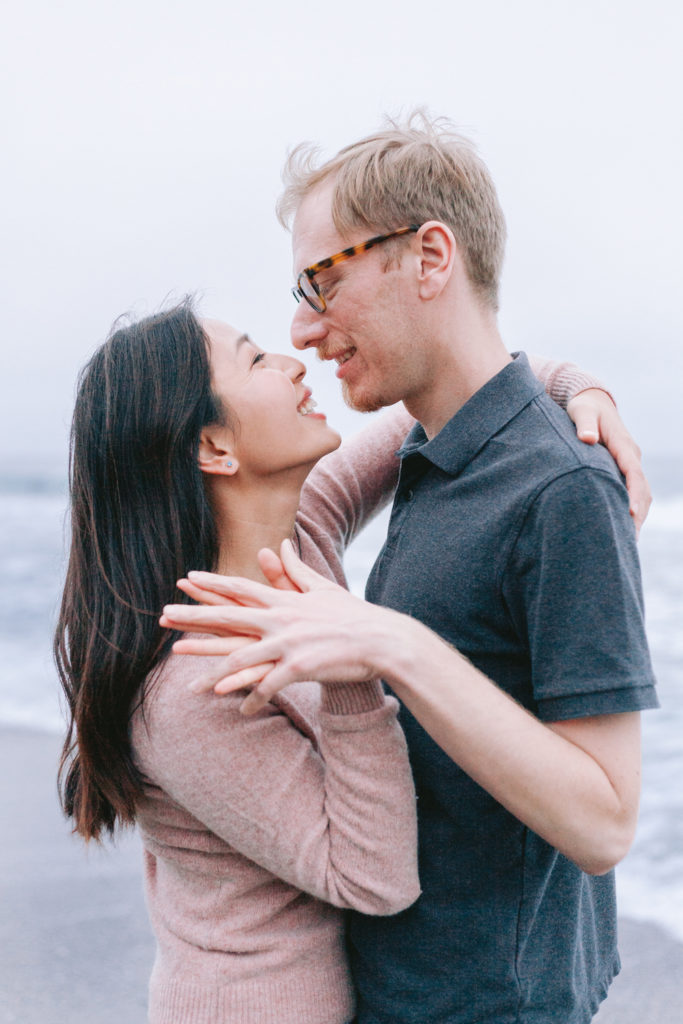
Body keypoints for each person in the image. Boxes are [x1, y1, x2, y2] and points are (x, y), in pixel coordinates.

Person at [161, 114, 658, 1024]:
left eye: (322, 281)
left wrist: (395, 648)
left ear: (430, 257)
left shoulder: (562, 489)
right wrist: (570, 376)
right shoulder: (430, 453)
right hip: (396, 991)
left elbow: (604, 822)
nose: (303, 328)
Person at [55, 303, 423, 1024]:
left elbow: (449, 398)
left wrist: (579, 390)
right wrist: (351, 662)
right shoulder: (192, 684)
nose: (293, 362)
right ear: (214, 446)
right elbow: (373, 878)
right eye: (256, 361)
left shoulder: (300, 533)